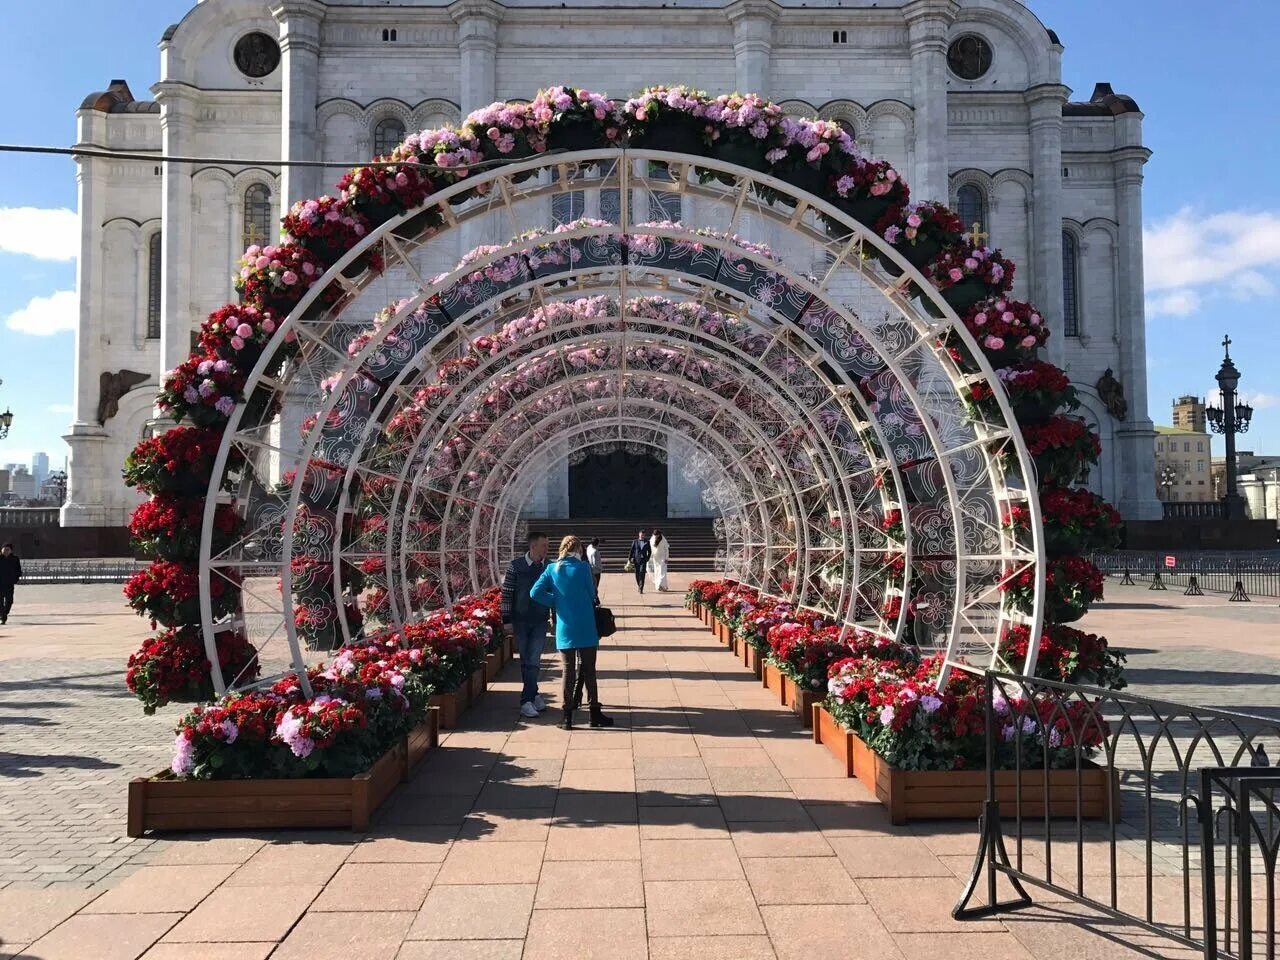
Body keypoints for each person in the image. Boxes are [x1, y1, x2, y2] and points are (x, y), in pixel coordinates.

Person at [530, 535, 612, 730]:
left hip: (565, 627)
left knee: (568, 670)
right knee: (589, 669)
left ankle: (567, 716)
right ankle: (594, 713)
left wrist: (556, 600)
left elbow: (535, 592)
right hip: (585, 625)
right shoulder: (583, 568)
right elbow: (592, 594)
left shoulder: (551, 569)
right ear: (578, 550)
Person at [500, 531, 551, 719]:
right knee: (525, 661)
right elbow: (507, 594)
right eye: (544, 545)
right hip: (520, 620)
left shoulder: (550, 567)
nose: (547, 548)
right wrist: (506, 620)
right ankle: (534, 694)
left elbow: (553, 593)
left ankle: (526, 700)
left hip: (539, 620)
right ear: (533, 546)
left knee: (534, 660)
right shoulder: (516, 566)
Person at [0, 544, 20, 625]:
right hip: (0, 584)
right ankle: (3, 616)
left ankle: (5, 612)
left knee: (9, 601)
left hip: (9, 583)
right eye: (4, 549)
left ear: (11, 551)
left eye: (7, 549)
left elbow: (18, 570)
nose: (5, 551)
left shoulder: (14, 559)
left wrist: (15, 579)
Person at [628, 529, 652, 594]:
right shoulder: (635, 541)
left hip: (643, 560)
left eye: (643, 535)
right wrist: (629, 559)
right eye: (641, 534)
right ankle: (639, 585)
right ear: (639, 534)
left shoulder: (647, 542)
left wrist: (647, 558)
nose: (642, 536)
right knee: (637, 574)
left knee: (642, 573)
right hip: (636, 560)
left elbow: (650, 551)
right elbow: (632, 551)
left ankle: (641, 588)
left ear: (644, 535)